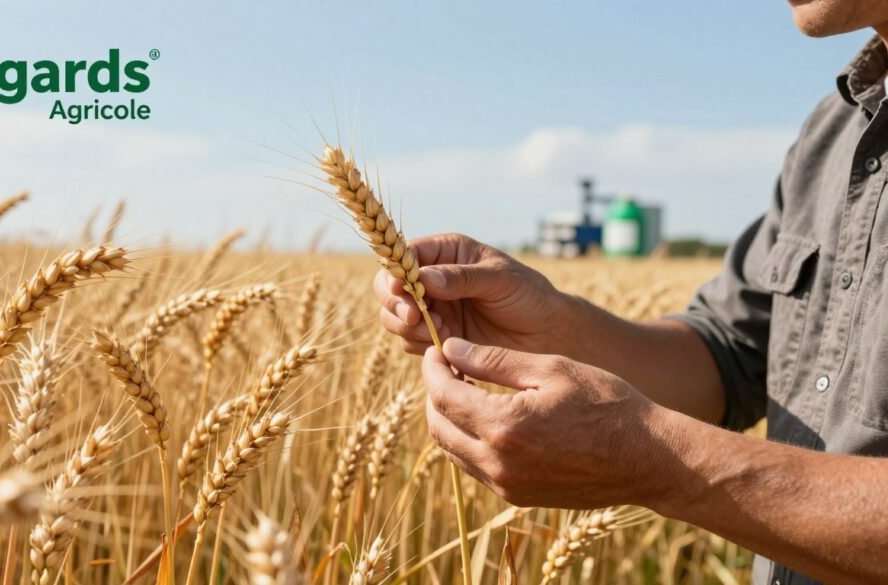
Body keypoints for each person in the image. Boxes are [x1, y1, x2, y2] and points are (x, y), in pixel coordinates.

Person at [372, 3, 888, 584]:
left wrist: (657, 462)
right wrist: (551, 325)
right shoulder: (835, 132)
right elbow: (730, 358)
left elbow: (675, 434)